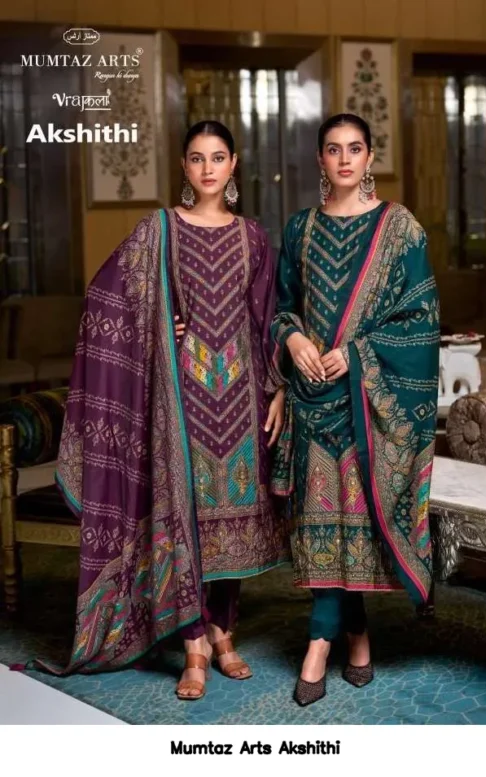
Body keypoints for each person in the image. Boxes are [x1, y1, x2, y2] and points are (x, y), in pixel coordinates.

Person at [46, 120, 288, 701]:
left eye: (218, 157)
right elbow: (107, 295)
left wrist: (278, 388)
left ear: (234, 165)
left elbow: (267, 318)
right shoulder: (160, 230)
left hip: (244, 398)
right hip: (181, 401)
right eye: (197, 158)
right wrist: (158, 322)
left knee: (235, 520)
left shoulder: (254, 237)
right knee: (190, 519)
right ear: (184, 166)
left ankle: (225, 632)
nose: (208, 169)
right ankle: (195, 646)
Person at [270, 113, 440, 706]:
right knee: (325, 524)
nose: (345, 159)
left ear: (370, 157)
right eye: (333, 149)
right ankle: (356, 631)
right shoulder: (300, 229)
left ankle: (319, 643)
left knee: (358, 523)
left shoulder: (400, 229)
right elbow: (282, 307)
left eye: (356, 148)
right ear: (320, 159)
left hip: (367, 400)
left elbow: (421, 320)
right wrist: (293, 338)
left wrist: (356, 353)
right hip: (311, 400)